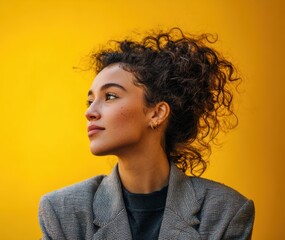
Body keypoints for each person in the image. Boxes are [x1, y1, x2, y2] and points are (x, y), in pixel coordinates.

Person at [38, 28, 255, 240]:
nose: (90, 112)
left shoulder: (226, 212)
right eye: (90, 100)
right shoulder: (62, 211)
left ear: (157, 113)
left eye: (110, 96)